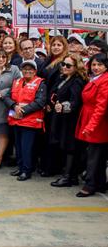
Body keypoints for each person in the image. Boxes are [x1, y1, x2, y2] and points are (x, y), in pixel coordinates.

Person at [45, 54, 87, 188]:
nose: (64, 67)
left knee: (70, 147)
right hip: (61, 118)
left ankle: (68, 177)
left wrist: (63, 106)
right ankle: (70, 176)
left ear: (76, 67)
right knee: (64, 145)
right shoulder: (63, 77)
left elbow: (76, 102)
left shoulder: (77, 81)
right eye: (63, 64)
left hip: (71, 119)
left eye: (68, 65)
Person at [4, 60, 47, 181]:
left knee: (26, 147)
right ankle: (21, 167)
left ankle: (27, 170)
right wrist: (14, 106)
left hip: (31, 121)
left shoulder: (40, 83)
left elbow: (40, 102)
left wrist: (23, 110)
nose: (27, 71)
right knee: (18, 146)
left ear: (35, 71)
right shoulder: (17, 81)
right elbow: (6, 97)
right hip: (16, 119)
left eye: (30, 69)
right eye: (25, 69)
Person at [74, 53, 108, 197]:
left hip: (97, 122)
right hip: (90, 118)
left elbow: (101, 107)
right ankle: (98, 183)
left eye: (99, 65)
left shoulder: (104, 81)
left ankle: (90, 185)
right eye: (94, 64)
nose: (96, 67)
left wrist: (91, 126)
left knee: (93, 155)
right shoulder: (97, 78)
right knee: (97, 155)